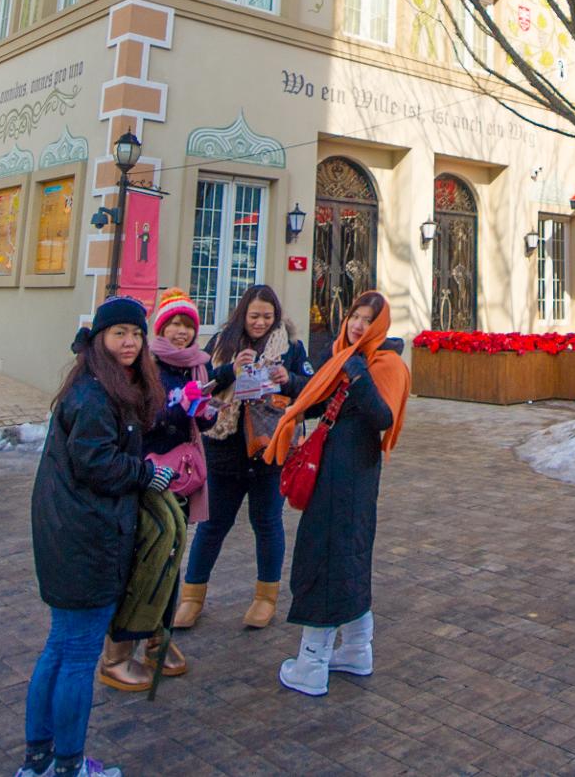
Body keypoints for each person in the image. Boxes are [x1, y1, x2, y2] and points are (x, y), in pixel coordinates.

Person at [19, 295, 170, 777]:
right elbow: (96, 463)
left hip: (71, 532)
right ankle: (67, 764)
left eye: (137, 333)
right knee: (78, 655)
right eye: (119, 333)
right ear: (99, 337)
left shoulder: (100, 387)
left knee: (60, 646)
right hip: (86, 539)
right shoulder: (94, 395)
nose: (130, 343)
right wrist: (145, 474)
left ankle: (39, 760)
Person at [265, 289, 410, 696]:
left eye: (368, 319)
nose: (359, 325)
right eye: (355, 316)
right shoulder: (344, 357)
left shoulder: (384, 363)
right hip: (334, 468)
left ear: (380, 326)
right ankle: (357, 649)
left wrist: (358, 371)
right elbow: (323, 399)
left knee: (326, 557)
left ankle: (312, 664)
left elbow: (382, 416)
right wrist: (290, 386)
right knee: (348, 556)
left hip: (350, 474)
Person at [171, 284, 312, 632]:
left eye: (267, 316)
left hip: (269, 451)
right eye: (254, 316)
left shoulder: (291, 347)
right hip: (225, 452)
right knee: (212, 526)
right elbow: (199, 387)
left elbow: (312, 392)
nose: (260, 323)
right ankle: (192, 597)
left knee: (267, 524)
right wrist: (230, 370)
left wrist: (289, 380)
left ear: (276, 316)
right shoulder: (222, 343)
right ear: (242, 315)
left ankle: (266, 598)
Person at [99, 289, 213, 690]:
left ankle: (156, 637)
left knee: (170, 558)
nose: (182, 332)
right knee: (144, 559)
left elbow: (198, 424)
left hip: (179, 477)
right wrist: (178, 408)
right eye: (174, 324)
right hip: (146, 474)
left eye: (188, 325)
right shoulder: (145, 365)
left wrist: (202, 411)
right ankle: (118, 650)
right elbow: (144, 420)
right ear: (161, 328)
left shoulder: (196, 366)